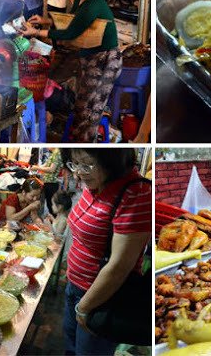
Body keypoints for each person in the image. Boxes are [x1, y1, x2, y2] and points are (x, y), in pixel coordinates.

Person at [60, 148, 150, 355]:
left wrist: (84, 307)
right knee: (70, 347)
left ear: (113, 160)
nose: (78, 173)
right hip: (74, 286)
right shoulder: (96, 183)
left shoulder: (136, 193)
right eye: (75, 164)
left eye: (86, 164)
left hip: (101, 300)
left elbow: (119, 266)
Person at [22, 0, 122, 142]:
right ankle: (77, 140)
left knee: (90, 110)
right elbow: (69, 20)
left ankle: (86, 146)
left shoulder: (94, 3)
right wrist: (44, 21)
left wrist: (35, 32)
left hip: (105, 60)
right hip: (89, 57)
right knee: (81, 105)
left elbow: (70, 32)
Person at [32, 148, 63, 213]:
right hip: (48, 182)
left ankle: (53, 220)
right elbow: (45, 165)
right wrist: (37, 167)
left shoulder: (56, 153)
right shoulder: (54, 153)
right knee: (49, 204)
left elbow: (52, 169)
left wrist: (37, 168)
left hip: (51, 183)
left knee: (51, 205)